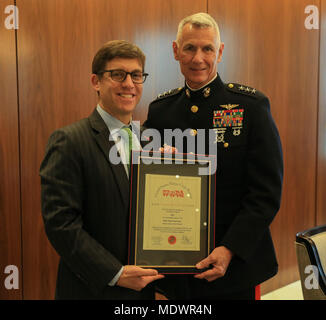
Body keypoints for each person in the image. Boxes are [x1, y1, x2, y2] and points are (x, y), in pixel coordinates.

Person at [144, 13, 283, 300]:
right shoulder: (160, 110)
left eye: (207, 48)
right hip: (175, 263)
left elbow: (265, 194)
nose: (198, 58)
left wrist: (230, 248)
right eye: (189, 48)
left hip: (234, 265)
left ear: (219, 52)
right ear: (175, 51)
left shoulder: (251, 107)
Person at [40, 40, 164, 300]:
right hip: (93, 289)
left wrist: (173, 171)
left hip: (143, 289)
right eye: (118, 74)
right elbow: (61, 225)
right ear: (96, 81)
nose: (129, 83)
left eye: (136, 75)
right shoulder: (69, 140)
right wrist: (115, 273)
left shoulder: (151, 143)